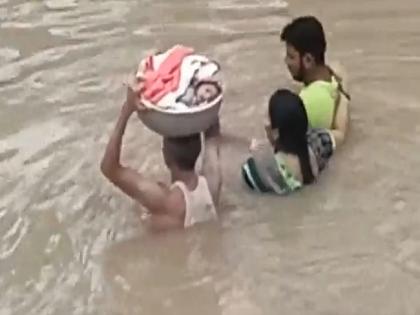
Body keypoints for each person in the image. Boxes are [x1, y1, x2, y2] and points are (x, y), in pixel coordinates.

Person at [100, 85, 222, 231]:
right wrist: (203, 97)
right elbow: (212, 135)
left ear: (166, 155)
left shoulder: (165, 200)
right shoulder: (212, 182)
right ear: (198, 150)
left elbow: (109, 168)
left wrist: (127, 110)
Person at [241, 88, 347, 195]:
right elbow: (340, 134)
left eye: (268, 117)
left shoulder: (258, 169)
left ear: (275, 131)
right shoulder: (319, 143)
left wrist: (258, 151)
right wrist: (343, 98)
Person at [280, 15, 350, 129]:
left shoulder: (307, 104)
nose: (286, 61)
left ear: (308, 60)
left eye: (291, 57)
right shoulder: (332, 76)